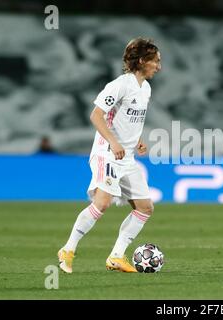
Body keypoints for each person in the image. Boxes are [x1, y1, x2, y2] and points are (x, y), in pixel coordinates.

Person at [57, 38, 161, 273]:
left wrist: (138, 140)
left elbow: (130, 119)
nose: (159, 66)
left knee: (145, 207)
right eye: (155, 61)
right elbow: (96, 115)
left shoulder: (145, 88)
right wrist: (113, 142)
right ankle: (68, 249)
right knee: (102, 203)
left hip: (127, 156)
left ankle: (116, 256)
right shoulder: (120, 85)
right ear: (143, 61)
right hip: (107, 153)